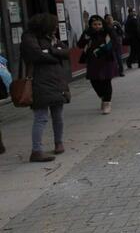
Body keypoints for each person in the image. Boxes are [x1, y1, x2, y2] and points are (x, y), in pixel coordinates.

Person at [22, 14, 71, 160]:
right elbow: (36, 55)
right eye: (54, 25)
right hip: (39, 81)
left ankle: (59, 143)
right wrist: (55, 55)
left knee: (58, 116)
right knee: (41, 117)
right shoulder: (29, 37)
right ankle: (36, 150)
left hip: (56, 81)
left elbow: (66, 52)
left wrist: (51, 51)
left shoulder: (51, 37)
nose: (56, 27)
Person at [77, 15, 117, 114]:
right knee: (94, 81)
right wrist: (86, 37)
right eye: (94, 24)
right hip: (93, 61)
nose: (97, 26)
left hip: (106, 60)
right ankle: (103, 97)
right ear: (91, 25)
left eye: (99, 24)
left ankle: (107, 103)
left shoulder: (107, 32)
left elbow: (115, 43)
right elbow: (80, 45)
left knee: (106, 81)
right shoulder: (88, 33)